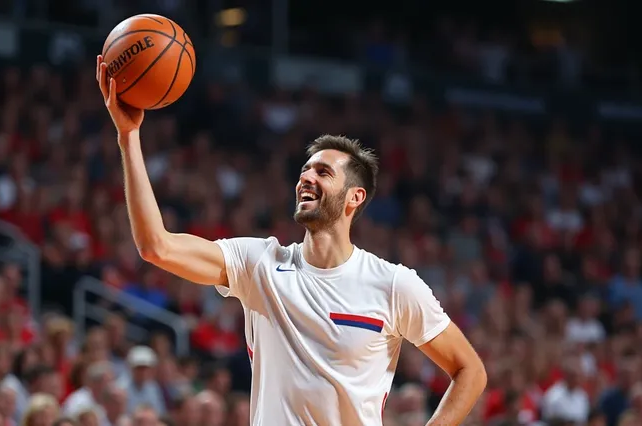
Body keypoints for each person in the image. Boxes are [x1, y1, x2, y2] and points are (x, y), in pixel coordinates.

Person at [96, 55, 487, 426]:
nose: (306, 178)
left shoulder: (393, 284)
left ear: (355, 197)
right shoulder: (259, 263)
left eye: (322, 171)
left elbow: (470, 370)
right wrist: (128, 137)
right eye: (304, 170)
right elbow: (156, 246)